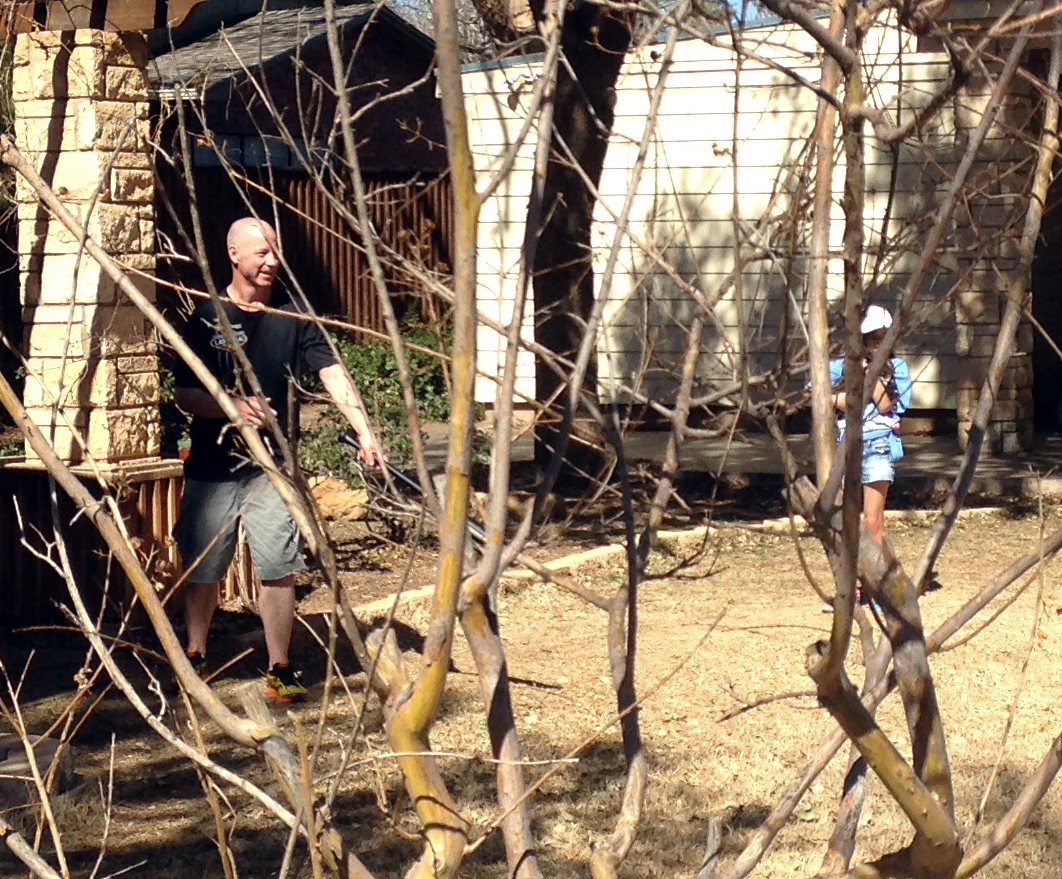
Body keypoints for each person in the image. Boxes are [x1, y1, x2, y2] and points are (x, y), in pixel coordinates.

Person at [173, 217, 384, 702]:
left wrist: (364, 431)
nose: (272, 262)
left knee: (278, 566)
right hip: (213, 469)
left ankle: (280, 667)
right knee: (204, 568)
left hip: (272, 469)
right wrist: (231, 406)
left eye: (275, 252)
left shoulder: (295, 315)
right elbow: (185, 394)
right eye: (262, 253)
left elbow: (332, 373)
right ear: (234, 255)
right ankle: (196, 654)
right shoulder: (206, 318)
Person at [828, 304, 912, 546]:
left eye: (882, 336)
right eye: (871, 337)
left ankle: (876, 567)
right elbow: (816, 396)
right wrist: (847, 399)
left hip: (879, 444)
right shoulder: (838, 365)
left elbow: (886, 404)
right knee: (847, 515)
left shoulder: (898, 368)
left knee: (873, 519)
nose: (876, 342)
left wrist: (870, 373)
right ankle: (851, 566)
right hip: (846, 443)